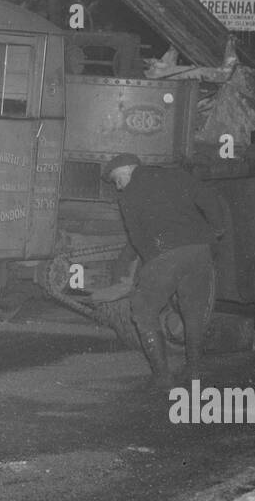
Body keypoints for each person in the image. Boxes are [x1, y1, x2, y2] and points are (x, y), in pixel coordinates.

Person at [93, 152, 223, 385]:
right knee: (194, 312)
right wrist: (216, 229)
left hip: (165, 255)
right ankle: (194, 371)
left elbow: (137, 237)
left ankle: (162, 378)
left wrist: (148, 266)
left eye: (117, 182)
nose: (119, 188)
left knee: (143, 310)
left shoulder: (129, 195)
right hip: (199, 251)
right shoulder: (175, 175)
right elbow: (208, 197)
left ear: (125, 172)